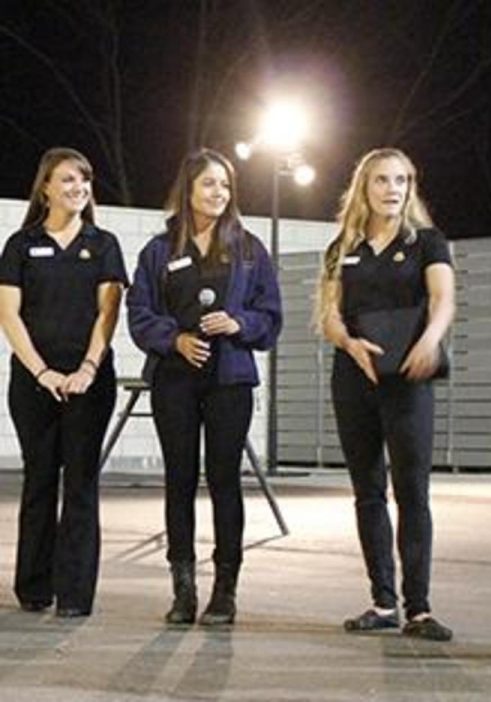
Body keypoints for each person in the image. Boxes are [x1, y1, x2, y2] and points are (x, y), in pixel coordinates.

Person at [127, 148, 282, 626]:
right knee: (179, 480)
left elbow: (271, 318)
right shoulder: (159, 249)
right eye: (209, 184)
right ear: (188, 190)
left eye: (225, 185)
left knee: (224, 481)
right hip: (175, 381)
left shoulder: (250, 248)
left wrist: (238, 324)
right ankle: (183, 591)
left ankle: (225, 591)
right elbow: (140, 314)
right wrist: (175, 339)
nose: (218, 193)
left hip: (230, 381)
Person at [316, 147, 455, 641]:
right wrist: (348, 343)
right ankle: (383, 602)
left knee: (412, 491)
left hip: (407, 378)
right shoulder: (343, 247)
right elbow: (330, 313)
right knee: (368, 491)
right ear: (364, 187)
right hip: (354, 377)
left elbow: (442, 298)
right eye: (381, 180)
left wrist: (429, 341)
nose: (392, 188)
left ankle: (419, 607)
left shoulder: (428, 242)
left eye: (401, 180)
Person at [0, 147, 127, 617]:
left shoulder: (104, 243)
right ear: (46, 188)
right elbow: (8, 314)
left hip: (88, 383)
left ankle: (74, 594)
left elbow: (107, 314)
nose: (79, 188)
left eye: (85, 180)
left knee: (80, 483)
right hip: (34, 382)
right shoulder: (21, 245)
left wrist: (87, 370)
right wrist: (42, 371)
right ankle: (34, 587)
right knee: (38, 479)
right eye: (68, 180)